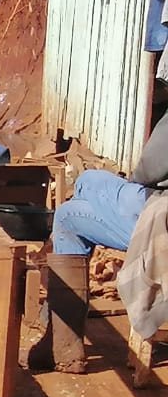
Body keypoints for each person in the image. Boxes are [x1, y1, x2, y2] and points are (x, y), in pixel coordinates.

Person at [40, 109, 168, 371]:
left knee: (71, 207)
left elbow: (147, 171)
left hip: (160, 217)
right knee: (86, 187)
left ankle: (63, 347)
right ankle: (57, 335)